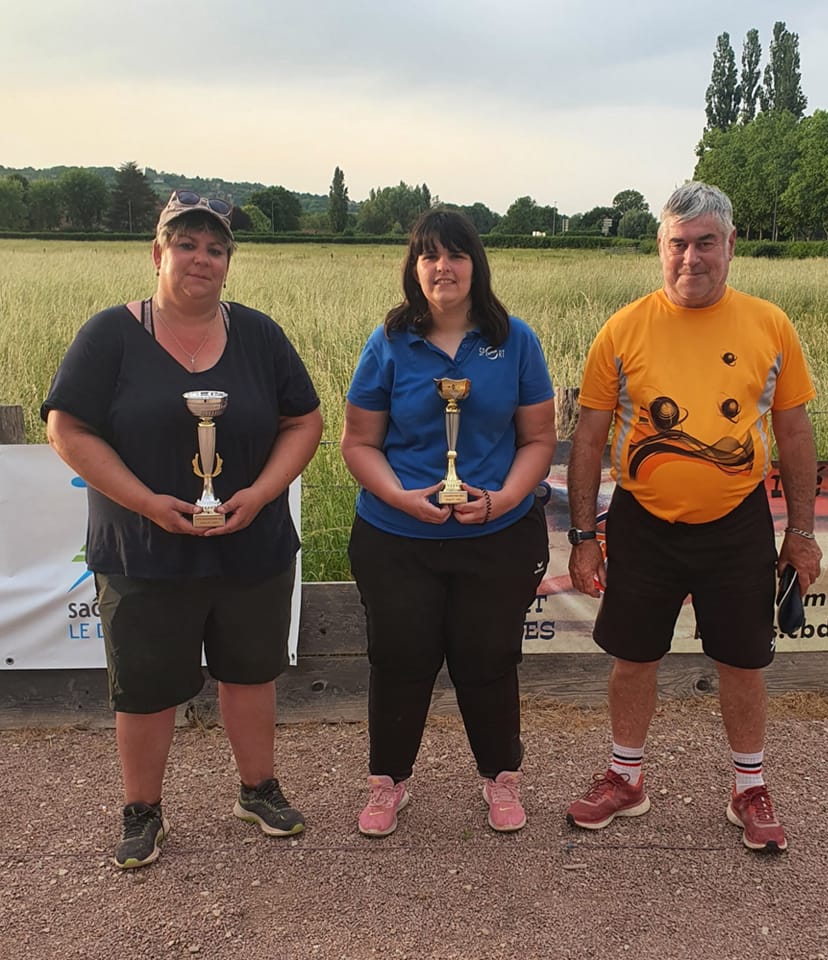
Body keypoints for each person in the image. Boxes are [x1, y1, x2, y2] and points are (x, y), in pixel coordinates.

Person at [42, 190, 323, 868]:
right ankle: (142, 810)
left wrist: (261, 492)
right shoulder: (109, 334)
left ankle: (258, 789)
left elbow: (304, 421)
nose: (202, 258)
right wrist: (144, 501)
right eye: (187, 244)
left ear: (228, 261)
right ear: (158, 253)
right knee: (143, 687)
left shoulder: (259, 334)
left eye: (216, 248)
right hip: (142, 547)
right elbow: (67, 428)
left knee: (251, 673)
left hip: (250, 542)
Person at [565, 182, 822, 853]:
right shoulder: (621, 329)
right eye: (677, 244)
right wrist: (583, 537)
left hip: (736, 522)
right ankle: (625, 779)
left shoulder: (769, 325)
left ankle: (748, 789)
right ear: (659, 247)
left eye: (704, 243)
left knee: (741, 661)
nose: (690, 258)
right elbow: (589, 439)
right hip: (641, 522)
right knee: (632, 657)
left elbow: (793, 433)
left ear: (730, 245)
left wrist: (800, 533)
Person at [341, 209, 555, 836]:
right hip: (396, 535)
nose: (443, 267)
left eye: (455, 254)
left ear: (475, 264)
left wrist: (505, 499)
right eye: (429, 255)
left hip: (495, 535)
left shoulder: (515, 339)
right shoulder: (388, 341)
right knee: (400, 657)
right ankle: (388, 783)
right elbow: (358, 443)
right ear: (414, 268)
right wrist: (403, 498)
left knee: (488, 658)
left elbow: (539, 438)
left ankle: (501, 778)